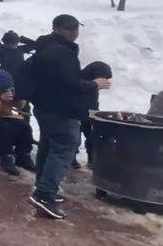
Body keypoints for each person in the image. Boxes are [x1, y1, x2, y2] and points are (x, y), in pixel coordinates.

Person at [25, 14, 110, 219]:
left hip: (45, 107)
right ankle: (45, 195)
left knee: (48, 147)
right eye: (69, 28)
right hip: (60, 110)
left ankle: (42, 186)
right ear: (57, 29)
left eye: (76, 28)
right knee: (64, 149)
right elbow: (68, 84)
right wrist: (94, 84)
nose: (74, 32)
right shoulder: (60, 52)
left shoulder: (47, 48)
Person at [72, 61, 112, 168]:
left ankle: (92, 158)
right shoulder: (80, 83)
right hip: (77, 114)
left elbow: (92, 101)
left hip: (89, 114)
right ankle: (72, 159)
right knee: (75, 138)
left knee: (92, 138)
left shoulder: (92, 86)